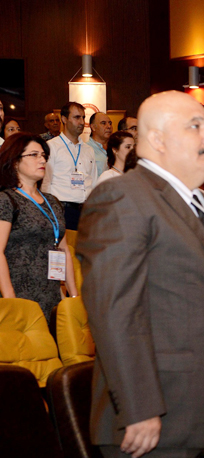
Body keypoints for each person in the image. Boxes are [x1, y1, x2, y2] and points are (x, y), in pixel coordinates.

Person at [75, 91, 204, 458]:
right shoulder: (122, 195)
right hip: (158, 424)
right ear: (157, 139)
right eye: (195, 126)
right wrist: (139, 407)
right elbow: (115, 311)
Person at [0, 133, 77, 328]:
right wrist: (10, 299)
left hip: (51, 294)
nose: (42, 160)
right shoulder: (6, 200)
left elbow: (63, 250)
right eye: (34, 155)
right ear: (15, 161)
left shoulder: (53, 202)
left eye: (44, 155)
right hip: (20, 295)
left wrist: (73, 296)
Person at [41, 102, 97, 231]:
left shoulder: (88, 150)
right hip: (62, 210)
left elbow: (93, 181)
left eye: (83, 117)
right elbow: (45, 182)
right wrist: (48, 211)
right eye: (77, 117)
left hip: (86, 211)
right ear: (64, 119)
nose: (82, 122)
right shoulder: (51, 146)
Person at [87, 112, 113, 176]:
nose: (109, 126)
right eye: (103, 123)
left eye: (110, 123)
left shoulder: (116, 147)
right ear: (93, 127)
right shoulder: (86, 149)